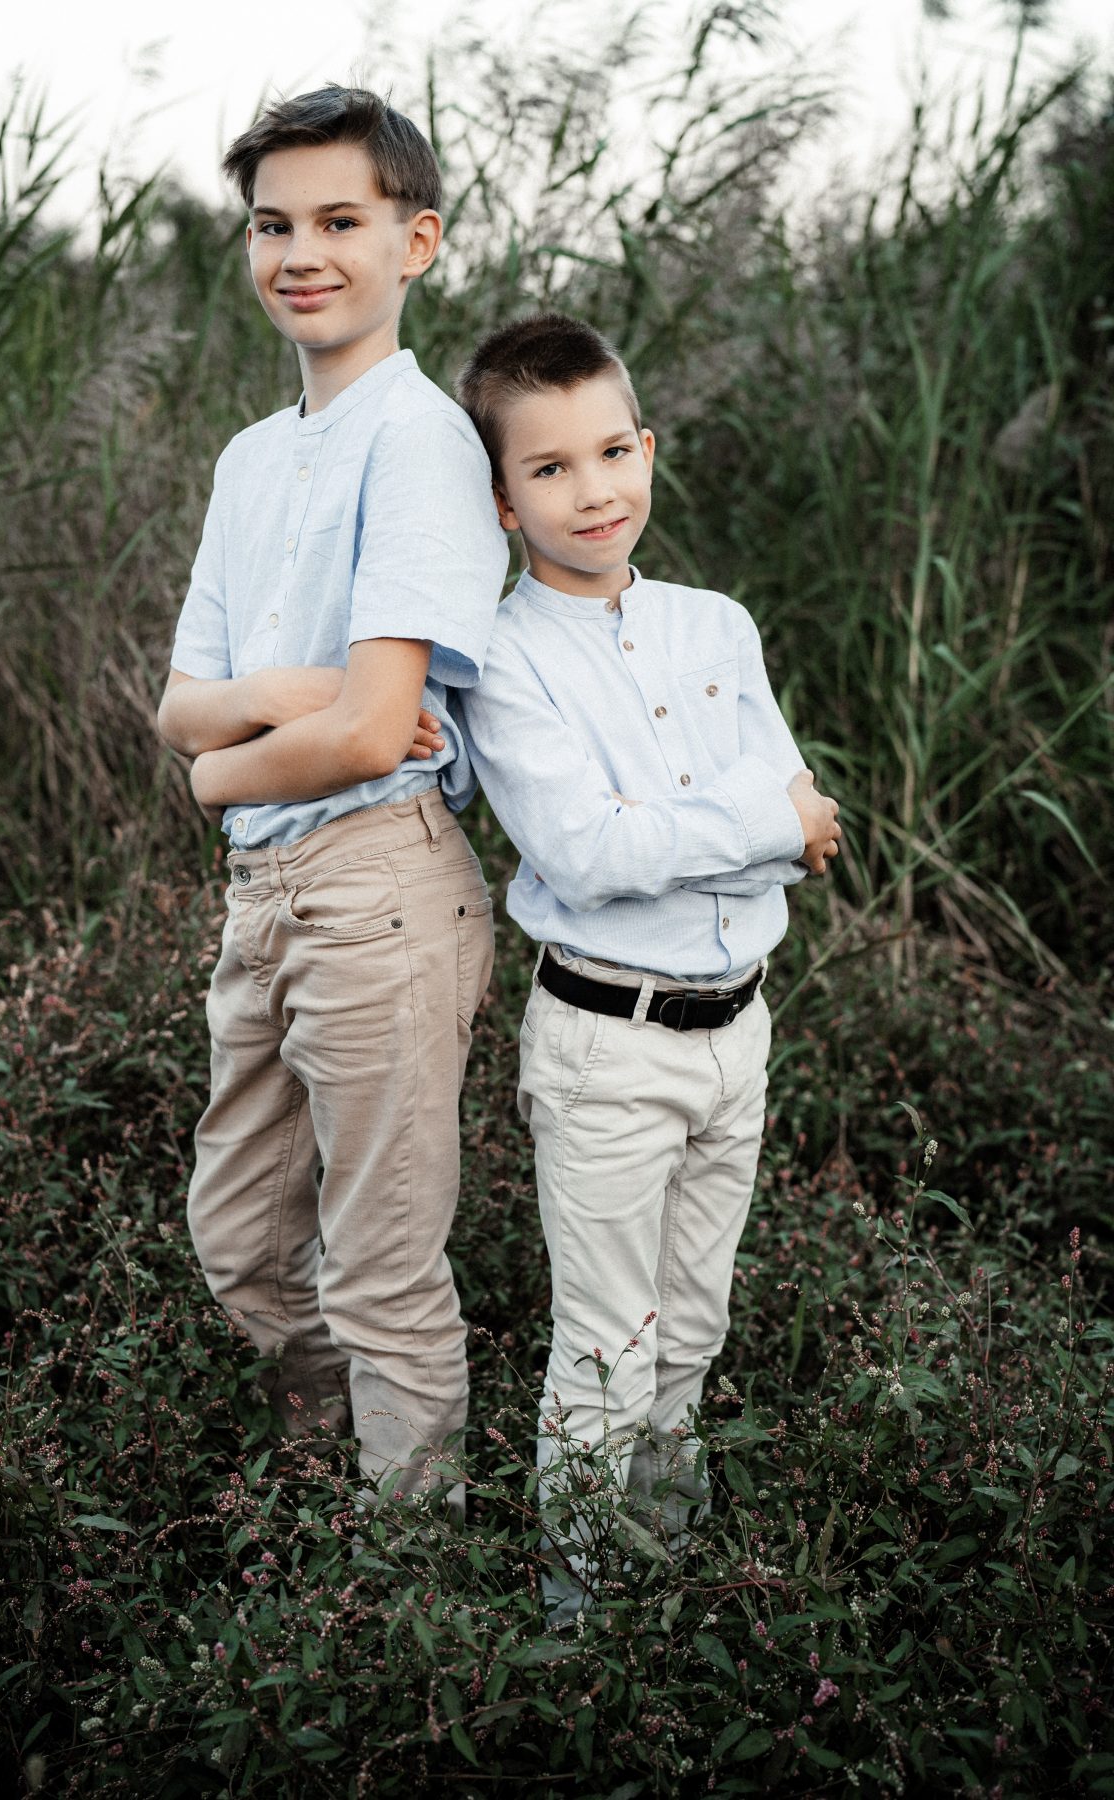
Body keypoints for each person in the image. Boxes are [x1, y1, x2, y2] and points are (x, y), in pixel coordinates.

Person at [453, 312, 841, 1617]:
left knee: (695, 1322)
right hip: (607, 1045)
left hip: (738, 1030)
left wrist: (742, 826)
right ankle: (577, 1624)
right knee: (608, 1346)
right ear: (502, 501)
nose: (594, 489)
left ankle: (667, 1579)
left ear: (648, 449)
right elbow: (589, 852)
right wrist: (757, 821)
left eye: (612, 451)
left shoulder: (715, 626)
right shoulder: (504, 658)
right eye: (550, 468)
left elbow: (805, 833)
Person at [156, 87, 508, 1508]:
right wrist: (296, 696)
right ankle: (318, 1518)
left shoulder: (419, 440)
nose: (301, 254)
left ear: (414, 242)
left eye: (340, 221)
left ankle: (408, 1584)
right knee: (242, 1242)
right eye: (272, 225)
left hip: (379, 889)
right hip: (264, 895)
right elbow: (184, 697)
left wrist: (215, 768)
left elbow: (368, 740)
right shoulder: (252, 458)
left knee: (379, 1271)